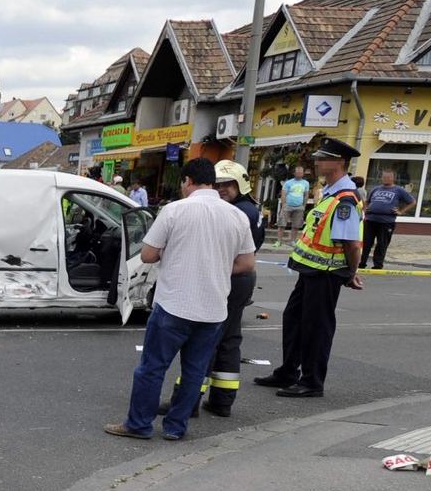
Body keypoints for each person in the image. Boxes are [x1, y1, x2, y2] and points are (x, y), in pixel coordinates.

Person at [105, 158, 256, 442]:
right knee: (195, 371)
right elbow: (247, 263)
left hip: (174, 304)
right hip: (213, 310)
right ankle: (176, 427)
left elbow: (148, 255)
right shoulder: (237, 216)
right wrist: (218, 266)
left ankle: (139, 424)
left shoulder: (174, 210)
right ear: (212, 182)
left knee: (152, 368)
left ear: (187, 181)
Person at [255, 138, 364, 398]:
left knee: (316, 327)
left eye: (321, 158)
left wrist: (351, 273)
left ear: (339, 163)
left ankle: (312, 382)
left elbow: (351, 243)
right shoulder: (331, 193)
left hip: (326, 275)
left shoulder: (345, 199)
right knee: (293, 320)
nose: (316, 162)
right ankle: (288, 371)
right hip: (311, 271)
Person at [161, 160, 267, 419]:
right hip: (240, 277)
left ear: (240, 185)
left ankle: (188, 401)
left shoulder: (241, 212)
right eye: (218, 184)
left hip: (232, 276)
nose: (221, 189)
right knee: (228, 339)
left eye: (227, 185)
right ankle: (222, 400)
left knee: (205, 341)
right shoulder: (245, 209)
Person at [360, 170, 415, 270]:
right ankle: (362, 263)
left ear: (393, 178)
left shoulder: (398, 190)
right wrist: (365, 208)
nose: (386, 179)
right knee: (366, 242)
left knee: (382, 243)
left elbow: (412, 202)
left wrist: (401, 211)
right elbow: (366, 201)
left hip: (386, 222)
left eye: (388, 177)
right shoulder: (376, 189)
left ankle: (377, 265)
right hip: (370, 220)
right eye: (384, 177)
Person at [277, 165, 311, 245]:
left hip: (299, 206)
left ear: (303, 173)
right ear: (294, 173)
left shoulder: (306, 183)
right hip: (287, 205)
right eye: (297, 172)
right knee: (282, 224)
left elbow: (306, 195)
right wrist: (284, 205)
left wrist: (304, 206)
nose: (299, 174)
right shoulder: (288, 183)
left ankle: (292, 241)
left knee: (296, 225)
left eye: (301, 172)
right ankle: (279, 241)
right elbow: (283, 194)